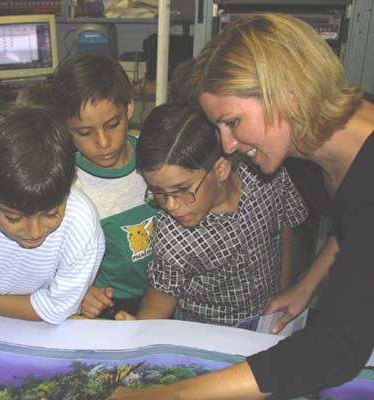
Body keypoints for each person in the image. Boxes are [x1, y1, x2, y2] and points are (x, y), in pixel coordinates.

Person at [111, 12, 374, 400]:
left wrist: (173, 395)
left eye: (232, 122)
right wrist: (306, 285)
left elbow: (336, 348)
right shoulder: (310, 152)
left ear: (287, 92)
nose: (228, 145)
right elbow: (353, 224)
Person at [115, 103, 307, 329]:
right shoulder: (173, 234)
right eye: (158, 191)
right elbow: (162, 295)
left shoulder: (267, 179)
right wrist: (137, 328)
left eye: (182, 189)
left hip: (270, 315)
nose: (171, 205)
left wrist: (283, 289)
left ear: (221, 169)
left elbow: (285, 227)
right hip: (205, 331)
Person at [0, 108, 105, 324]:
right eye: (14, 218)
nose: (34, 233)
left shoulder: (81, 224)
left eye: (52, 213)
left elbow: (55, 308)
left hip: (32, 321)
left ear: (72, 180)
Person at [52, 53, 157, 319]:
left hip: (168, 294)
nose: (103, 142)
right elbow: (51, 259)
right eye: (85, 133)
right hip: (110, 305)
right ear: (66, 128)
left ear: (129, 108)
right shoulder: (66, 183)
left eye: (113, 125)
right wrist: (83, 292)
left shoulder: (156, 156)